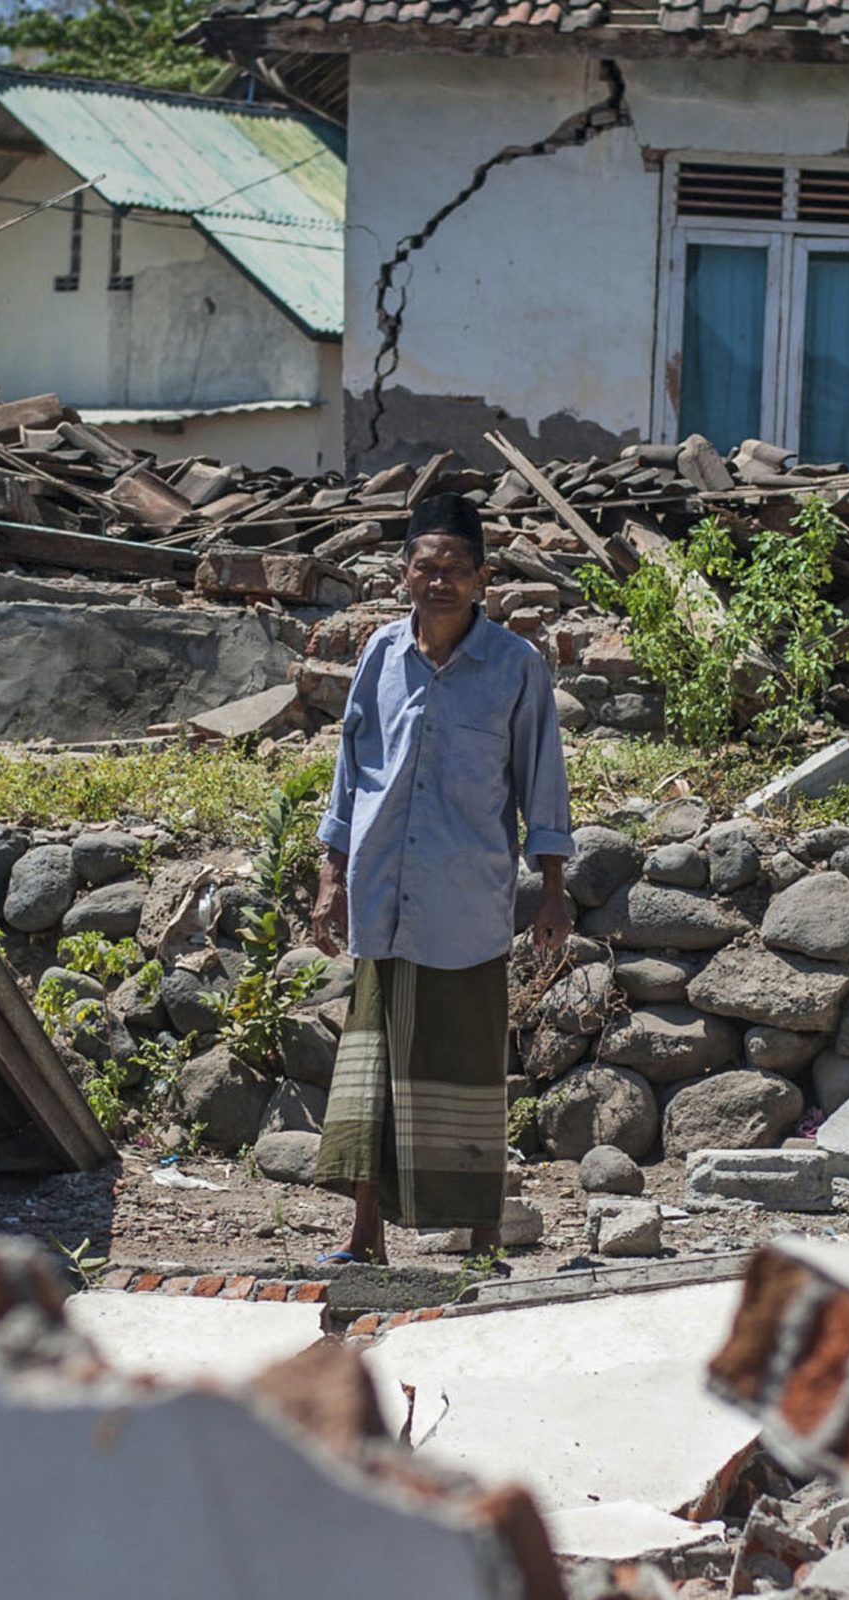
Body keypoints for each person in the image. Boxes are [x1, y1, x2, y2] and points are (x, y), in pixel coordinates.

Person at [308, 492, 574, 1264]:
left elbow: (542, 785)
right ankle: (365, 1240)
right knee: (370, 1075)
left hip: (465, 902)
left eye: (455, 569)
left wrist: (552, 889)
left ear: (483, 578)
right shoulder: (381, 657)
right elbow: (349, 774)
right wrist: (331, 872)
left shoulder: (516, 669)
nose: (439, 582)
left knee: (466, 1076)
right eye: (426, 567)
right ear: (403, 574)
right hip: (382, 894)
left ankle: (485, 1240)